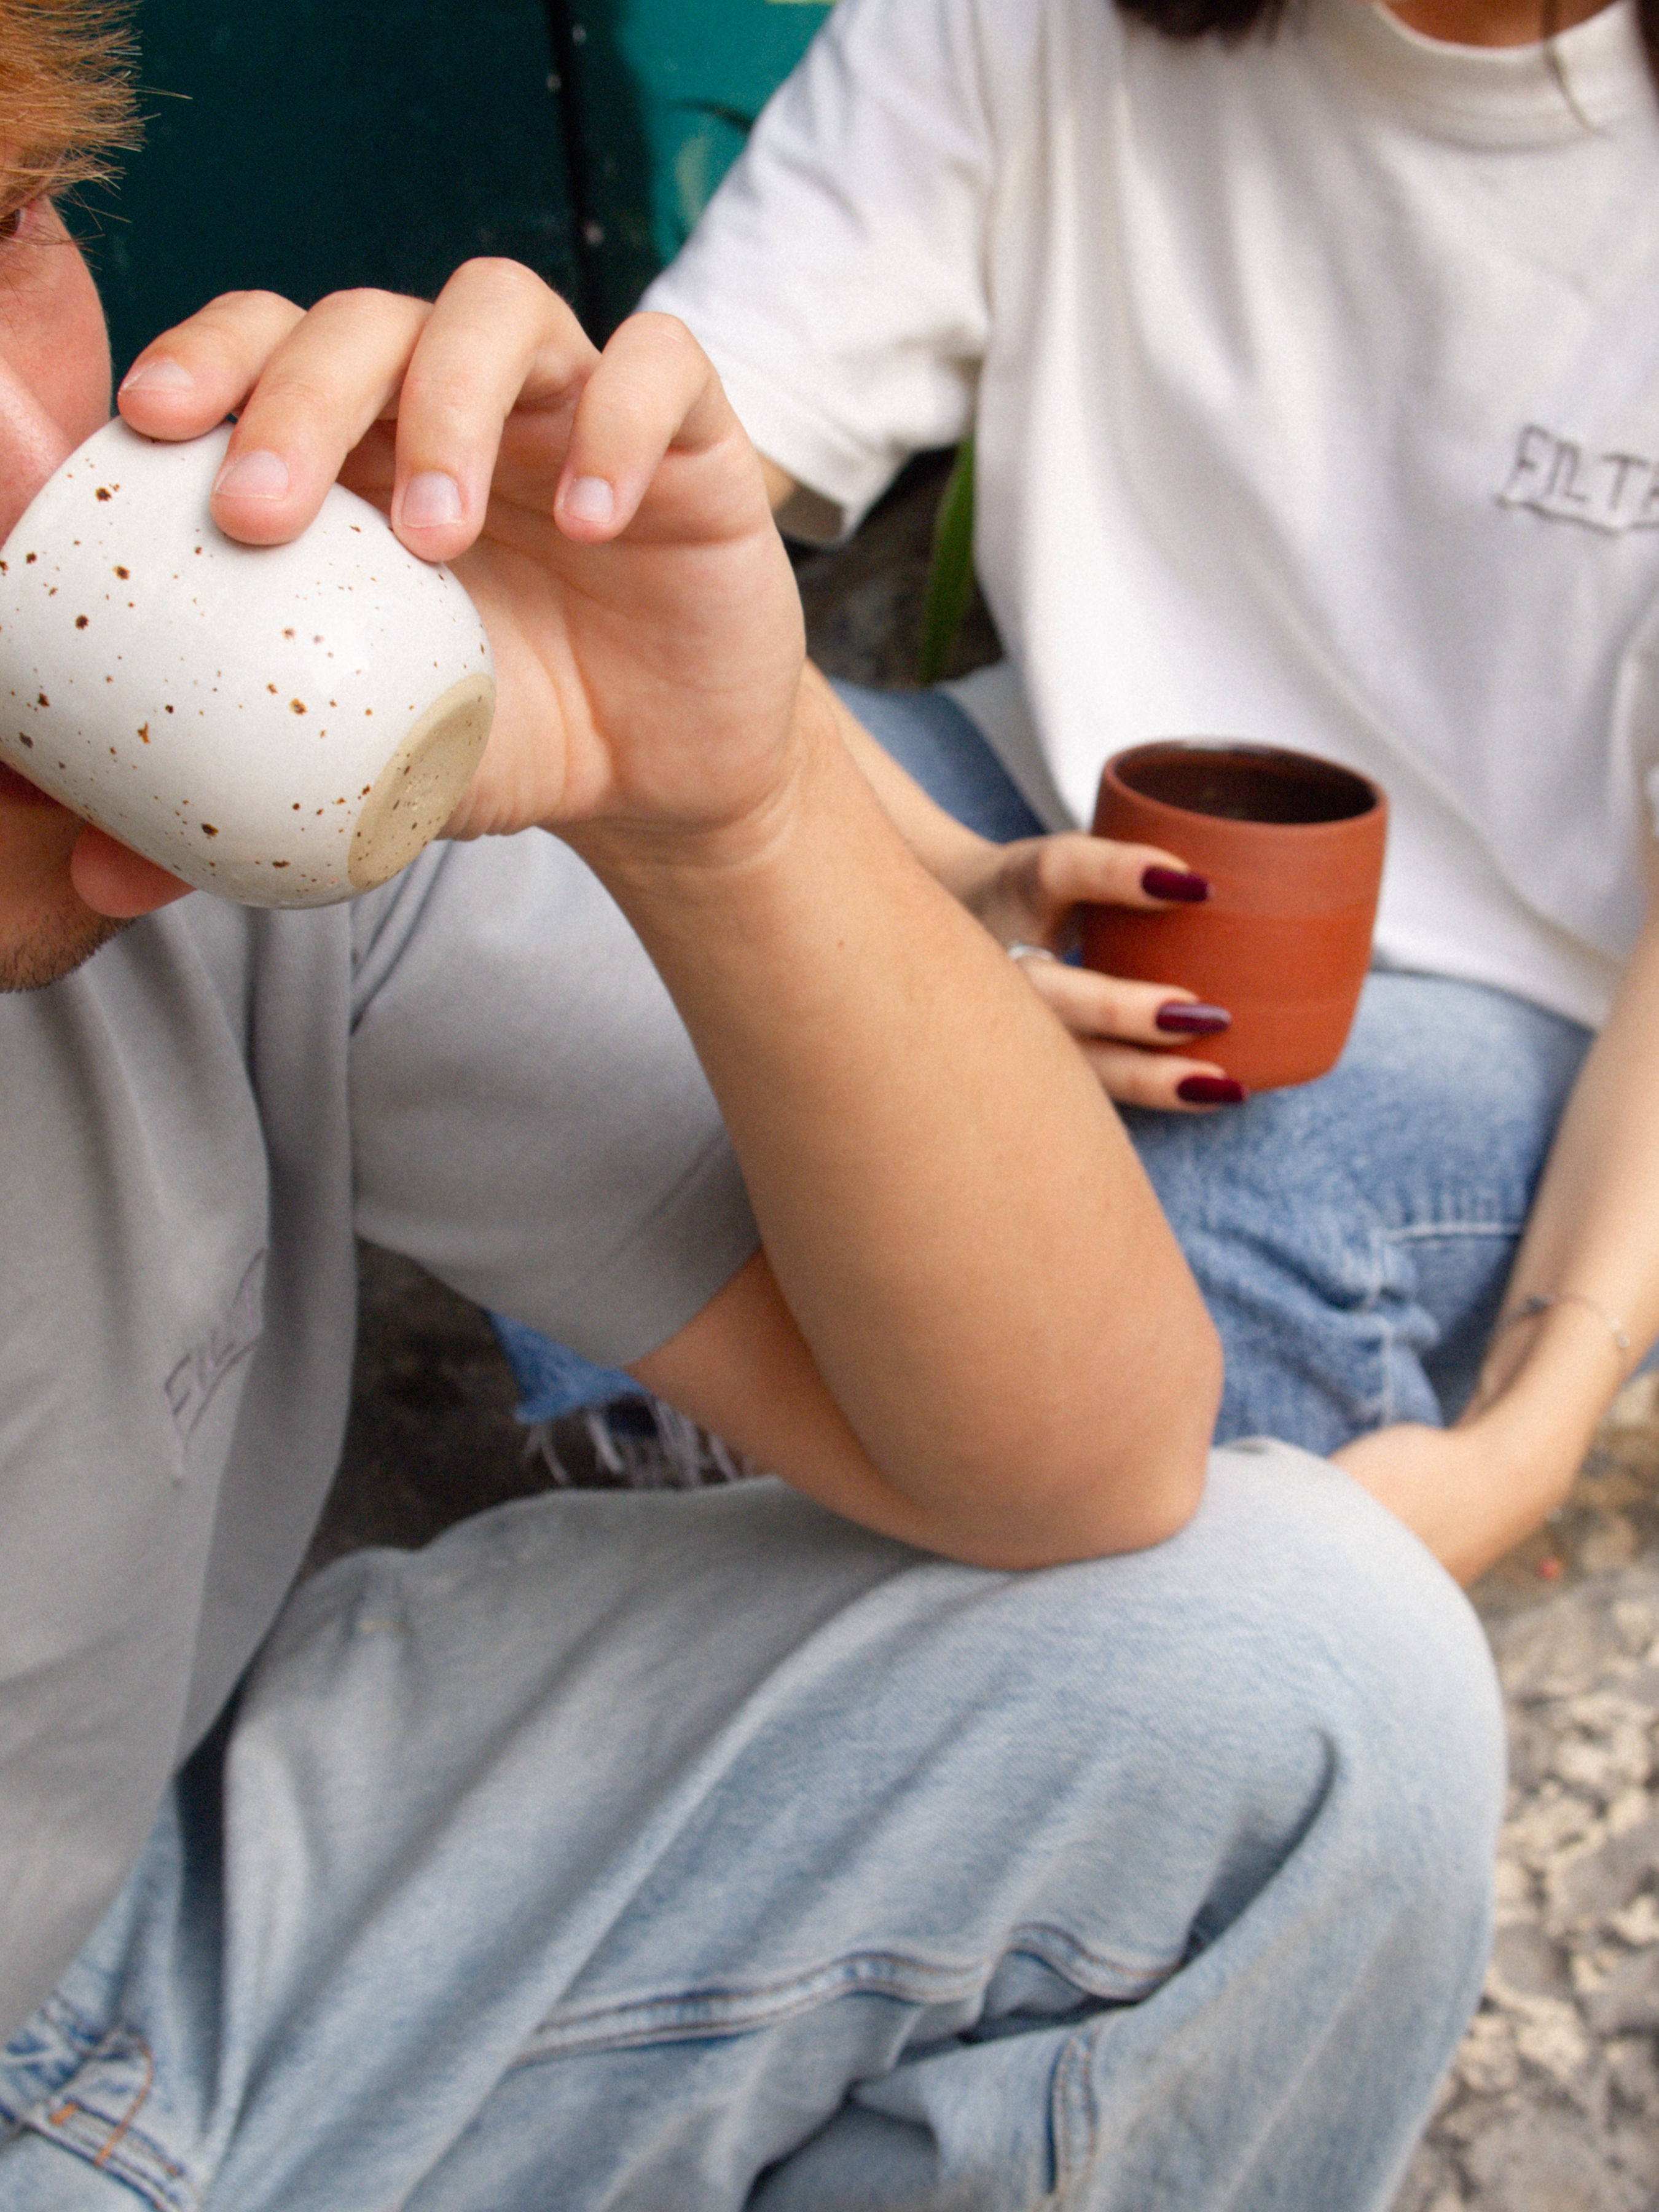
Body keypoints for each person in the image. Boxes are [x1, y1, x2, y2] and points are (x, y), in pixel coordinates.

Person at [0, 7, 1501, 2207]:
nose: (32, 456)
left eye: (8, 221)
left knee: (1298, 1671)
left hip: (154, 1935)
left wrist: (734, 803)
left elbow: (1084, 1466)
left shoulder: (191, 825)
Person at [618, 0, 1659, 1587]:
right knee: (576, 871)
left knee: (1158, 1210)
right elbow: (622, 548)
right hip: (1049, 820)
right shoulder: (1023, 24)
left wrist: (1528, 1437)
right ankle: (719, 1515)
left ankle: (937, 1592)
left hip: (1547, 1016)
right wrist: (950, 894)